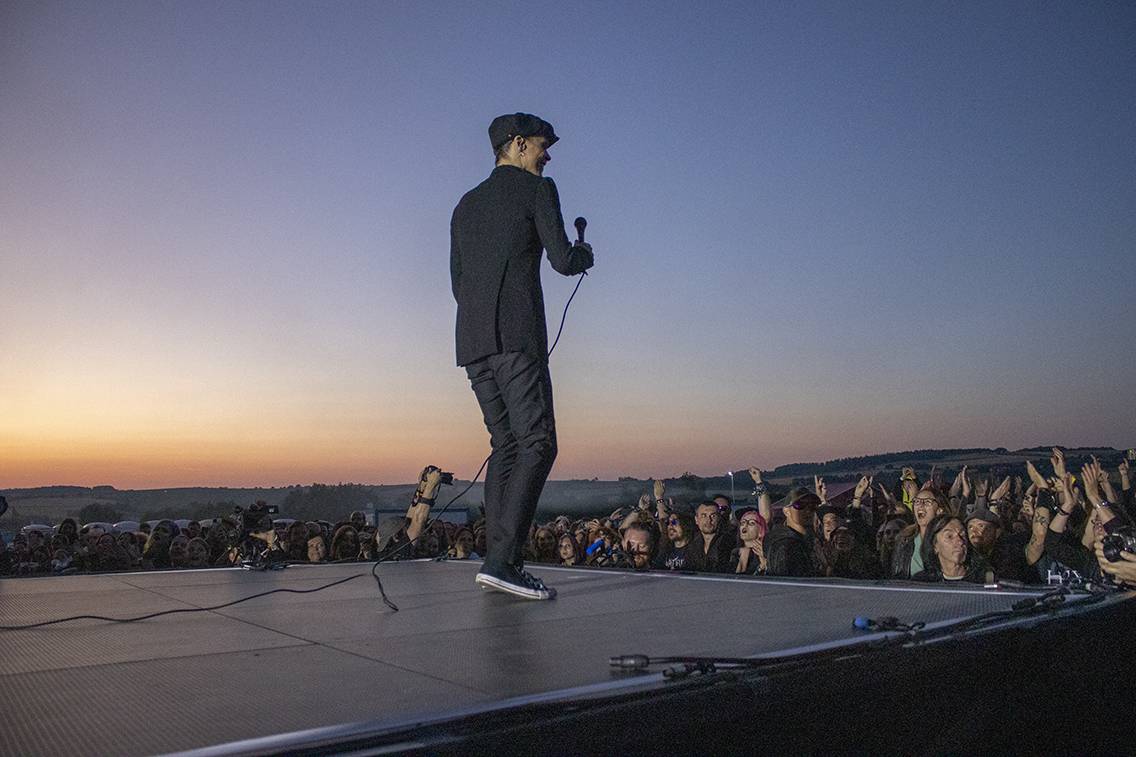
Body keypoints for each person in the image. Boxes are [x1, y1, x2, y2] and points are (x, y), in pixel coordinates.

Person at [451, 112, 594, 600]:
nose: (547, 154)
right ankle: (503, 561)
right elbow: (561, 259)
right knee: (538, 442)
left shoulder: (464, 205)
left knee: (506, 444)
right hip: (516, 338)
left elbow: (458, 283)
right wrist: (584, 254)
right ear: (515, 145)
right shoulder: (539, 190)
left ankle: (497, 560)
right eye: (540, 145)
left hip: (472, 342)